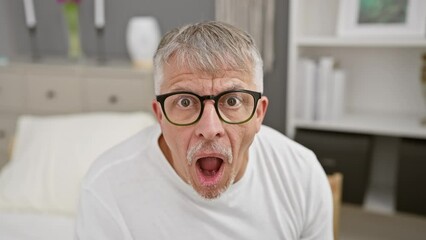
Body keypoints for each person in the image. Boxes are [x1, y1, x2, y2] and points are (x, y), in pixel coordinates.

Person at [74, 21, 333, 239]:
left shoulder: (301, 175)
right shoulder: (105, 189)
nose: (209, 129)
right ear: (160, 116)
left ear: (258, 114)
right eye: (185, 102)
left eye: (232, 101)